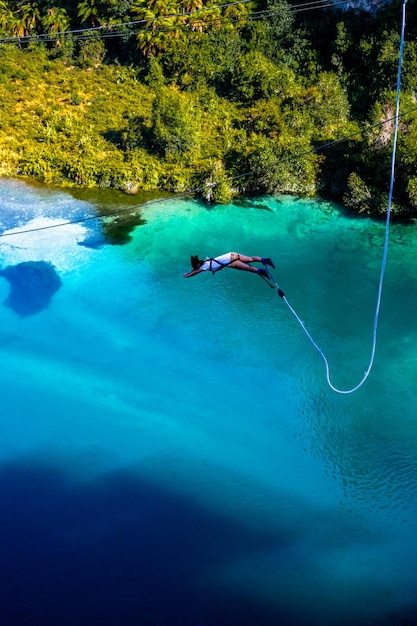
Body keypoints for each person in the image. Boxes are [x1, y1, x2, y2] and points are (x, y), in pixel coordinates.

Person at [183, 252, 275, 278]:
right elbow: (195, 269)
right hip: (231, 254)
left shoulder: (204, 267)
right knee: (250, 259)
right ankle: (265, 260)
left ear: (198, 265)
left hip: (231, 261)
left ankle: (262, 272)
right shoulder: (206, 261)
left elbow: (196, 272)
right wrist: (189, 272)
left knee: (247, 268)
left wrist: (188, 275)